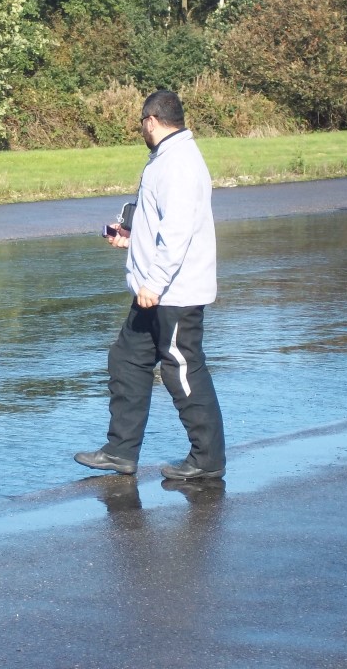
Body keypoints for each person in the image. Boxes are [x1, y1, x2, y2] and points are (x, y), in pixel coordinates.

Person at [75, 90, 226, 480]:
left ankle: (207, 460)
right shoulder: (165, 158)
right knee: (127, 360)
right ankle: (120, 452)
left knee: (182, 370)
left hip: (174, 293)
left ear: (152, 121)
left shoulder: (179, 163)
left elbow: (177, 232)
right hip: (154, 292)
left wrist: (154, 283)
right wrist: (129, 238)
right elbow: (159, 223)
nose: (141, 130)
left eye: (141, 123)